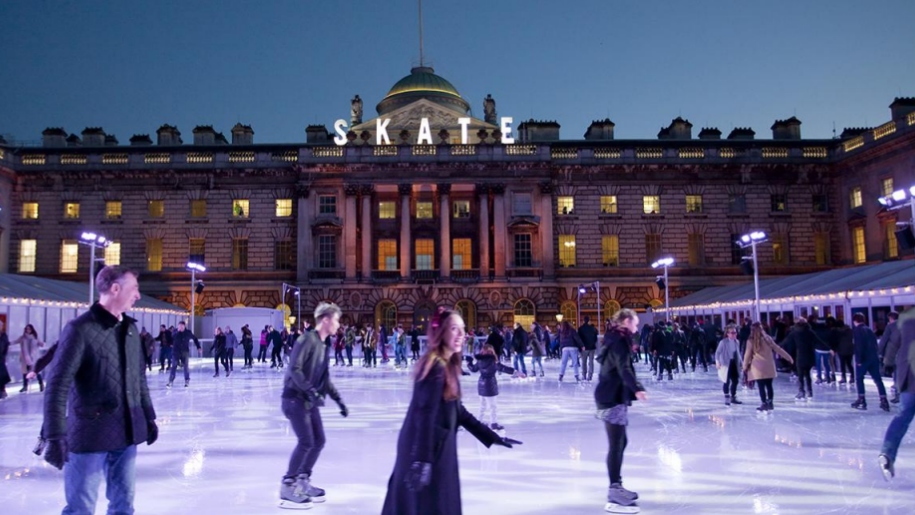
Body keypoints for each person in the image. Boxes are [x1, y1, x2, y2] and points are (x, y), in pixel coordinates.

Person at [41, 266, 158, 514]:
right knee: (81, 507)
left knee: (124, 504)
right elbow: (57, 386)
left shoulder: (130, 329)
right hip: (89, 435)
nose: (138, 295)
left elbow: (139, 379)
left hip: (126, 433)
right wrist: (55, 435)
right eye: (134, 288)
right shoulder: (79, 329)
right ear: (115, 289)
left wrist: (148, 416)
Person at [381, 309, 521, 515]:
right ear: (441, 332)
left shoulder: (447, 364)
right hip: (425, 449)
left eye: (462, 329)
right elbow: (424, 414)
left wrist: (491, 437)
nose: (461, 335)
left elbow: (459, 411)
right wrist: (422, 460)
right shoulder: (434, 366)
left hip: (436, 447)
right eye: (454, 329)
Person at [279, 303, 349, 509]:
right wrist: (310, 390)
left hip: (308, 400)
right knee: (306, 441)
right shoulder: (307, 340)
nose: (338, 324)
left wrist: (339, 401)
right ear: (326, 320)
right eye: (336, 320)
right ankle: (287, 484)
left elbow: (324, 380)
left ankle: (302, 480)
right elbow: (294, 368)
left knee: (319, 440)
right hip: (293, 398)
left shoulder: (324, 345)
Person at [594, 308, 646, 512]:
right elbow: (624, 369)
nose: (637, 326)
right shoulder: (618, 342)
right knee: (616, 443)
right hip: (611, 396)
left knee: (621, 442)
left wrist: (635, 387)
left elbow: (624, 368)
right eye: (635, 322)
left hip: (613, 395)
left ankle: (617, 485)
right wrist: (637, 389)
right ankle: (614, 490)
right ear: (626, 321)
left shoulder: (616, 338)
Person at [879, 308, 915, 480]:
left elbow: (893, 343)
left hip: (908, 375)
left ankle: (887, 453)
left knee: (903, 415)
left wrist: (887, 361)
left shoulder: (905, 318)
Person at [466, 343, 523, 430]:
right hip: (490, 385)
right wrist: (517, 372)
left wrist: (468, 362)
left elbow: (473, 369)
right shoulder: (493, 361)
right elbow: (503, 368)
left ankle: (478, 422)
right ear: (491, 351)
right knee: (493, 406)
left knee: (482, 406)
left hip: (481, 385)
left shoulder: (480, 360)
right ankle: (494, 423)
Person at [742, 322, 794, 411]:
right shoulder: (768, 339)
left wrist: (744, 367)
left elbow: (747, 355)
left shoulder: (750, 341)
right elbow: (778, 348)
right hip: (769, 366)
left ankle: (764, 403)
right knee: (769, 385)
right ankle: (770, 403)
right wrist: (789, 357)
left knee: (761, 386)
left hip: (758, 368)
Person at [851, 313, 889, 411]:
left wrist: (858, 360)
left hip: (864, 359)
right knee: (878, 380)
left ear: (855, 321)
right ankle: (884, 399)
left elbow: (859, 346)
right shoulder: (869, 330)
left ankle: (861, 399)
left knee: (859, 379)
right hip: (873, 358)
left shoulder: (858, 330)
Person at [715, 324, 744, 406]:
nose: (734, 334)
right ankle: (727, 397)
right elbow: (717, 352)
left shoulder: (737, 342)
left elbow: (738, 353)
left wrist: (741, 363)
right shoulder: (723, 342)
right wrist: (717, 362)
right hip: (726, 363)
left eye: (735, 332)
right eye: (732, 333)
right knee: (726, 381)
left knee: (735, 380)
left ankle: (733, 396)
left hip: (734, 363)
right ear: (727, 334)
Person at [168, 321, 200, 388]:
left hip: (185, 352)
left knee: (186, 366)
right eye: (179, 326)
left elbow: (195, 339)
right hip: (176, 352)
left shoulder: (188, 333)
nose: (180, 328)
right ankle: (170, 380)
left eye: (182, 326)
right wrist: (177, 332)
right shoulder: (175, 331)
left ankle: (187, 380)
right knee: (174, 365)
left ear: (184, 326)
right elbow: (172, 337)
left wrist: (198, 347)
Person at [879, 312, 903, 404]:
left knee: (897, 373)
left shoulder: (890, 327)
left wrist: (880, 352)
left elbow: (884, 340)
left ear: (890, 318)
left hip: (895, 354)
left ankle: (899, 394)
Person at [579, 316, 598, 381]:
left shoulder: (580, 329)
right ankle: (590, 376)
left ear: (583, 321)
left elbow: (579, 339)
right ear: (589, 321)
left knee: (584, 362)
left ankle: (584, 375)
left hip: (584, 348)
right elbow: (595, 338)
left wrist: (581, 347)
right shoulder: (593, 329)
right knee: (591, 362)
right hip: (592, 347)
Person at [0, 320, 10, 399]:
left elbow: (6, 347)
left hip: (1, 358)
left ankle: (2, 391)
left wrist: (3, 356)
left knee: (2, 375)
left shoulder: (4, 336)